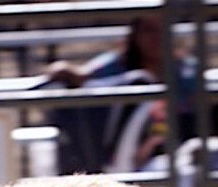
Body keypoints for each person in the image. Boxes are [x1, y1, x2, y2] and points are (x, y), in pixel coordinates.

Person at [44, 13, 197, 174]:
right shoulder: (116, 65)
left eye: (163, 30)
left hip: (177, 145)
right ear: (135, 35)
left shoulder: (188, 70)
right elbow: (82, 75)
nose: (156, 37)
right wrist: (63, 70)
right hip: (125, 155)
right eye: (148, 30)